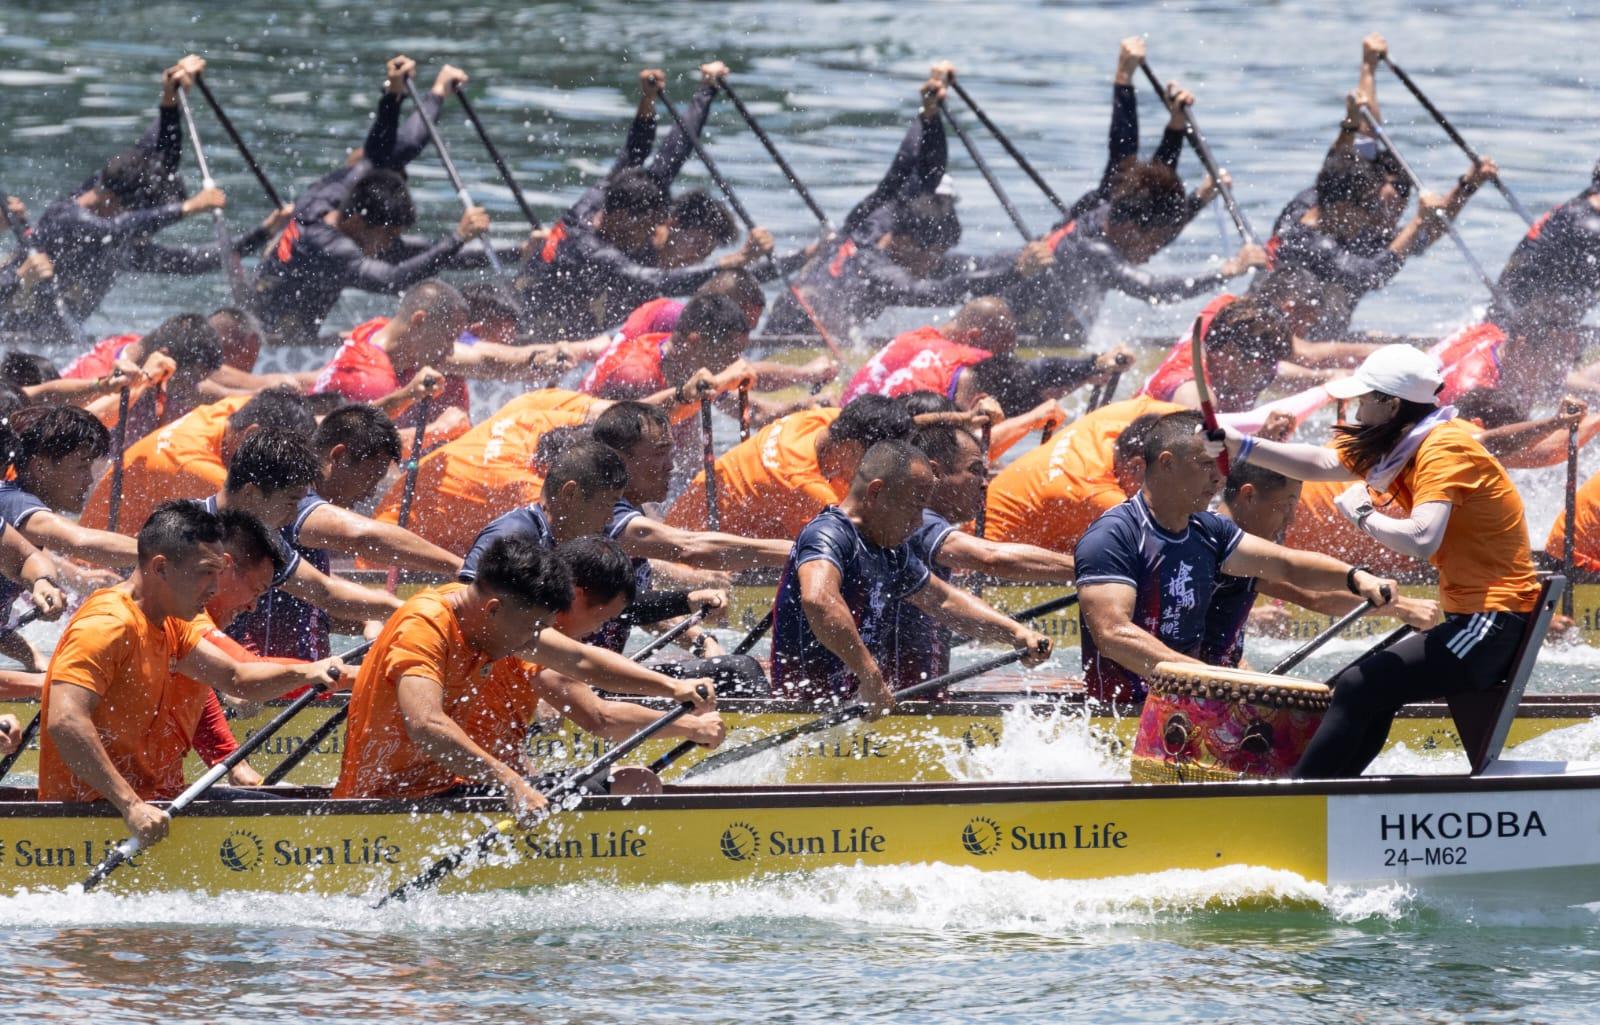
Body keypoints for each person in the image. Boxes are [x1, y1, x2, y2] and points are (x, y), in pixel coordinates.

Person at [1211, 345, 1543, 776]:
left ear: (1390, 405)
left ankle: (1301, 800)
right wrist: (1241, 444)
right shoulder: (1406, 439)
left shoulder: (1443, 449)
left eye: (1364, 401)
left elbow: (1423, 538)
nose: (1357, 411)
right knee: (1365, 688)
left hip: (1491, 622)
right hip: (1476, 620)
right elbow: (1322, 462)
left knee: (1358, 685)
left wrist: (1363, 514)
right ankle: (1330, 795)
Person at [333, 535, 722, 811]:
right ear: (493, 610)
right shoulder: (426, 626)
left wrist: (673, 686)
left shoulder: (495, 621)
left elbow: (583, 661)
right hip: (382, 807)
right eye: (534, 629)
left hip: (446, 791)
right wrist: (510, 781)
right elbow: (426, 724)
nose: (536, 642)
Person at [37, 502, 345, 849]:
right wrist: (131, 805)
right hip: (93, 823)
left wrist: (306, 671)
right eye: (205, 573)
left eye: (219, 573)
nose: (215, 588)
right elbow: (65, 721)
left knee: (296, 813)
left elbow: (238, 678)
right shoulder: (107, 625)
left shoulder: (170, 622)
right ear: (161, 568)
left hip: (157, 808)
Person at [1075, 410, 1397, 703]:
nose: (1218, 478)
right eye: (1205, 465)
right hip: (1123, 714)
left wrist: (1355, 577)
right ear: (1167, 463)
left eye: (1220, 465)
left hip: (1192, 702)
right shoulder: (1114, 536)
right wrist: (1212, 678)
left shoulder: (1211, 531)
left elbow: (1287, 565)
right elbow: (1112, 634)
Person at [0, 55, 289, 337]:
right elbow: (117, 227)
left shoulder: (116, 222)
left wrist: (171, 97)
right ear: (115, 204)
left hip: (61, 338)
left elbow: (195, 259)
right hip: (14, 331)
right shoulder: (66, 218)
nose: (148, 232)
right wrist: (187, 208)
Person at [999, 39, 1265, 345]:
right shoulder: (1094, 249)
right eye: (1153, 243)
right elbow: (1153, 290)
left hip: (1066, 337)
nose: (1155, 252)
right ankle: (1124, 73)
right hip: (1027, 341)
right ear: (1130, 230)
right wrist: (1228, 270)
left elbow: (1147, 182)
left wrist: (1176, 127)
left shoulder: (1112, 208)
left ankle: (1128, 78)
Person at [766, 67, 1055, 340]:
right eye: (933, 253)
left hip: (796, 311)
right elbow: (941, 292)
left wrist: (929, 115)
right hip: (795, 337)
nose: (935, 263)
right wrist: (1016, 273)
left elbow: (910, 168)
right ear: (904, 243)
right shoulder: (881, 275)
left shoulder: (874, 218)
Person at [770, 440, 1051, 711]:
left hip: (859, 712)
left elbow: (943, 601)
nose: (918, 522)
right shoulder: (828, 534)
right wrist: (871, 675)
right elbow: (819, 600)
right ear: (875, 491)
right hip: (808, 713)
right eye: (914, 507)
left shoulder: (891, 551)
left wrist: (1015, 632)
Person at [516, 63, 777, 340]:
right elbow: (655, 280)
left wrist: (700, 90)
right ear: (622, 218)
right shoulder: (591, 248)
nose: (654, 233)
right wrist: (735, 260)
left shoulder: (619, 191)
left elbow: (664, 151)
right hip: (535, 321)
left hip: (591, 307)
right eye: (646, 227)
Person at [249, 56, 494, 344]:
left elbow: (384, 152)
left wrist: (410, 94)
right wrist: (458, 237)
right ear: (356, 221)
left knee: (420, 246)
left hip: (288, 326)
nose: (388, 244)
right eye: (387, 235)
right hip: (277, 346)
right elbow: (394, 280)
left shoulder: (324, 198)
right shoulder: (330, 247)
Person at [227, 404, 462, 660]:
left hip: (296, 683)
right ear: (338, 456)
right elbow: (363, 537)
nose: (372, 491)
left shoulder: (289, 512)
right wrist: (459, 567)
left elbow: (317, 597)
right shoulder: (293, 501)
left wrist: (368, 618)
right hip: (263, 683)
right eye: (372, 476)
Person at [590, 402, 789, 669]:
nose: (670, 465)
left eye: (671, 452)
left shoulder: (628, 510)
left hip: (597, 675)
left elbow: (639, 609)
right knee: (744, 673)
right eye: (660, 453)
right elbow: (691, 547)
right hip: (570, 684)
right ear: (616, 459)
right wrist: (798, 551)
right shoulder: (604, 514)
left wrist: (702, 641)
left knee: (739, 668)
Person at [889, 423, 1077, 687]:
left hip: (917, 696)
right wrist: (1089, 567)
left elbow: (951, 604)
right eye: (975, 471)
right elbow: (990, 558)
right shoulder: (918, 523)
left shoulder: (917, 522)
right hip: (893, 703)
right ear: (935, 472)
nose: (985, 483)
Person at [1206, 461, 1439, 668]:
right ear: (1248, 496)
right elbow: (1311, 592)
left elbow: (1314, 592)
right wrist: (1402, 607)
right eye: (1287, 506)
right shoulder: (1216, 540)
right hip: (1193, 689)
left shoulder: (1227, 539)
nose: (1291, 519)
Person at [196, 428, 404, 634]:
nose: (294, 516)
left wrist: (407, 610)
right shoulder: (184, 532)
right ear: (251, 493)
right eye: (291, 502)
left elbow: (326, 593)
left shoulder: (262, 541)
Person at [311, 278, 571, 441]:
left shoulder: (383, 332)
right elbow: (361, 452)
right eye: (449, 338)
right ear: (419, 321)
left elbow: (482, 358)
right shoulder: (372, 380)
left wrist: (536, 359)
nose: (450, 349)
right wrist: (439, 431)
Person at [369, 388, 605, 554]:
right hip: (392, 555)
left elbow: (621, 419)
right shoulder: (525, 489)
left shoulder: (534, 420)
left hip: (396, 523)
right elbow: (592, 542)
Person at [665, 394, 912, 539]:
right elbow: (867, 542)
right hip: (693, 552)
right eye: (877, 465)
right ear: (849, 449)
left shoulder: (824, 420)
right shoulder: (803, 485)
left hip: (689, 514)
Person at [81, 385, 315, 533]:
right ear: (252, 434)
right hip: (107, 570)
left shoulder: (235, 410)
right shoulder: (196, 469)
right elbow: (274, 520)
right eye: (282, 463)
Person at [984, 397, 1181, 553]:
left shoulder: (1106, 422)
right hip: (981, 558)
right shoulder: (1094, 492)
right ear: (1136, 467)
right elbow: (1173, 543)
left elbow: (1197, 420)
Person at [60, 312, 225, 439]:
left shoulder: (144, 346)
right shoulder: (95, 371)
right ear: (162, 357)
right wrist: (144, 380)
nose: (192, 388)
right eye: (191, 379)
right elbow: (73, 432)